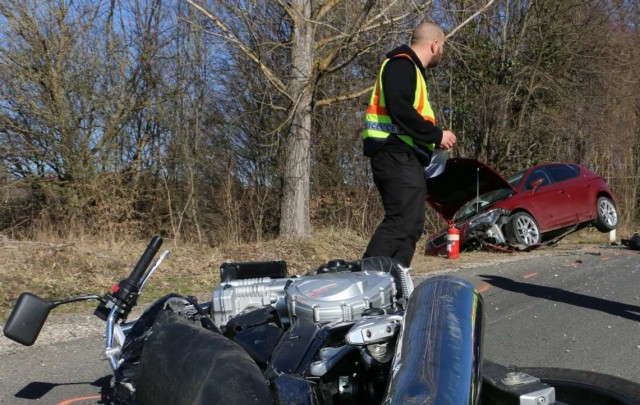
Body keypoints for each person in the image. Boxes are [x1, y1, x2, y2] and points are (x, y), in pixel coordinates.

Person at [362, 22, 457, 267]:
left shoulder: (410, 70)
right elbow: (400, 109)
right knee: (401, 221)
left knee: (411, 225)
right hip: (393, 154)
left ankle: (394, 287)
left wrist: (430, 143)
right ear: (435, 45)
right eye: (443, 46)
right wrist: (437, 135)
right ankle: (364, 281)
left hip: (404, 155)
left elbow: (406, 114)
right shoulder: (401, 64)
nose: (442, 51)